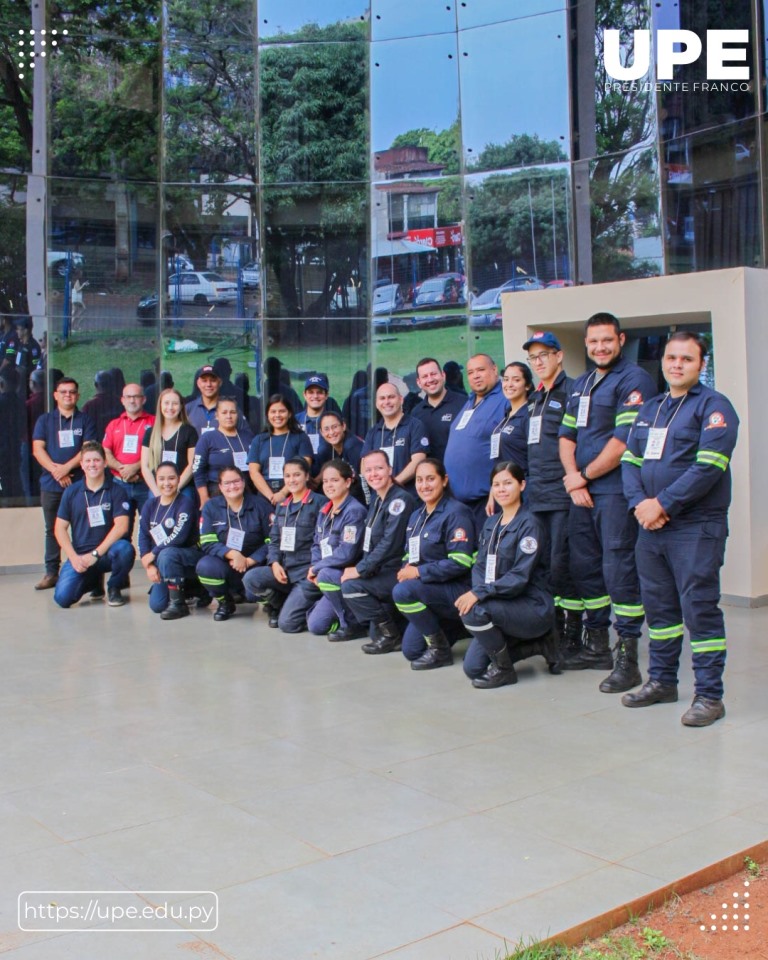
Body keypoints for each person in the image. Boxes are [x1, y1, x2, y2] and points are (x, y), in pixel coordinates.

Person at [620, 332, 739, 726]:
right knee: (661, 611)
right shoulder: (650, 409)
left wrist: (662, 504)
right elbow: (630, 463)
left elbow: (708, 467)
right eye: (671, 357)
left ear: (701, 364)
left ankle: (709, 696)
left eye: (686, 359)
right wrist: (641, 505)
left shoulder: (714, 407)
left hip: (695, 528)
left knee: (699, 610)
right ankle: (662, 681)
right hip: (650, 527)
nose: (676, 364)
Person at [558, 312, 657, 693]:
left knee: (619, 569)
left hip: (614, 492)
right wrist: (573, 480)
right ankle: (597, 645)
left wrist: (584, 476)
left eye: (607, 340)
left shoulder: (635, 380)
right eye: (594, 341)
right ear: (586, 343)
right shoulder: (581, 384)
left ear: (620, 339)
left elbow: (623, 441)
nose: (600, 347)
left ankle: (627, 657)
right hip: (580, 493)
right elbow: (566, 436)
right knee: (585, 567)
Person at [457, 461, 558, 688]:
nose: (501, 489)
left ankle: (504, 671)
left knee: (475, 611)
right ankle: (538, 646)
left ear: (522, 485)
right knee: (472, 668)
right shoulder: (491, 524)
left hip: (531, 606)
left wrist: (480, 594)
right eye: (496, 484)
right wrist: (480, 592)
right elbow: (480, 566)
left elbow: (520, 576)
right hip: (501, 604)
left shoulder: (530, 524)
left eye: (508, 483)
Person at [522, 331, 582, 657]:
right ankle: (552, 629)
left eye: (544, 354)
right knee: (542, 565)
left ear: (559, 356)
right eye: (533, 357)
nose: (538, 361)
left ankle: (574, 632)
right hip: (537, 496)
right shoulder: (535, 399)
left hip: (562, 495)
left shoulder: (572, 391)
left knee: (564, 565)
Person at [392, 459, 476, 670]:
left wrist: (418, 572)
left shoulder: (457, 512)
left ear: (444, 480)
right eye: (419, 480)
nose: (424, 485)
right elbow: (408, 554)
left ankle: (440, 651)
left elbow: (461, 562)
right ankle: (455, 627)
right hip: (429, 589)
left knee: (402, 592)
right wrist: (405, 568)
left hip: (456, 588)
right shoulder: (416, 516)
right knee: (411, 650)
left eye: (431, 479)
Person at [340, 450, 415, 654]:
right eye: (369, 470)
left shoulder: (400, 500)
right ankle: (390, 624)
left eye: (379, 468)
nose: (374, 474)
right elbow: (370, 542)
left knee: (351, 586)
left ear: (390, 470)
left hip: (396, 571)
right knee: (374, 632)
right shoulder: (376, 498)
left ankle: (391, 636)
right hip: (379, 569)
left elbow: (390, 543)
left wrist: (361, 569)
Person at [243, 458, 326, 631]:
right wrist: (274, 563)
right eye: (287, 476)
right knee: (251, 580)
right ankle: (281, 604)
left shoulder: (320, 503)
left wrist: (317, 568)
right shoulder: (282, 506)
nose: (292, 480)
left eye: (297, 475)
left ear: (306, 476)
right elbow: (274, 540)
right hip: (286, 570)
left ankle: (316, 608)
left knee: (287, 625)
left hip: (308, 574)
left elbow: (324, 542)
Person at [32, 377, 98, 590]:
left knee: (84, 528)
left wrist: (66, 469)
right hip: (51, 484)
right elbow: (37, 449)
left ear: (78, 395)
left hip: (79, 483)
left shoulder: (85, 420)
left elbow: (87, 450)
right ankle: (52, 572)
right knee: (52, 529)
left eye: (72, 392)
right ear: (55, 395)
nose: (67, 395)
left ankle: (88, 573)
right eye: (63, 392)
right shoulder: (45, 420)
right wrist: (56, 471)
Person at [53, 440, 135, 608]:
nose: (92, 464)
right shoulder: (71, 492)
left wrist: (96, 555)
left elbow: (122, 527)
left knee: (125, 549)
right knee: (62, 598)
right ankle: (93, 581)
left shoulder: (116, 491)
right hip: (81, 555)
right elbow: (59, 528)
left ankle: (114, 586)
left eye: (96, 460)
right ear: (81, 465)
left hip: (106, 554)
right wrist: (74, 558)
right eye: (88, 461)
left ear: (105, 463)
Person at [301, 459, 368, 639]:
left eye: (334, 480)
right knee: (316, 626)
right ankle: (341, 611)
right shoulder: (325, 509)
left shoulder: (354, 511)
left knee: (326, 575)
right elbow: (316, 544)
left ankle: (352, 623)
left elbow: (347, 553)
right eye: (325, 481)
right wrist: (316, 566)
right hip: (328, 575)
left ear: (347, 482)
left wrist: (317, 568)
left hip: (345, 577)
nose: (329, 485)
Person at [196, 466, 272, 621]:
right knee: (205, 567)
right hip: (226, 562)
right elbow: (207, 542)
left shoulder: (261, 505)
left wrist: (250, 560)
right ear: (220, 486)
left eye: (236, 481)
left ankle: (272, 605)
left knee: (252, 594)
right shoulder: (211, 507)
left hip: (256, 563)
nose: (232, 486)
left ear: (243, 482)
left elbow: (272, 541)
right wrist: (233, 554)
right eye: (227, 483)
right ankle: (225, 603)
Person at [443, 353, 508, 530]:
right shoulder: (469, 401)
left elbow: (509, 447)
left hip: (488, 501)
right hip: (459, 502)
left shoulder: (505, 398)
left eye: (481, 370)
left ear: (494, 370)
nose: (476, 376)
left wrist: (497, 488)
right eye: (471, 372)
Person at [138, 461, 202, 619]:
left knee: (167, 554)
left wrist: (153, 555)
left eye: (171, 478)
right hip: (162, 560)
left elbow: (178, 536)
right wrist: (149, 565)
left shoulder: (185, 503)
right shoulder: (150, 505)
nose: (166, 483)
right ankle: (184, 589)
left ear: (179, 479)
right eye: (161, 479)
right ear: (156, 480)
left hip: (188, 556)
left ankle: (180, 604)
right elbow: (143, 536)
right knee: (157, 606)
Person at [102, 382, 155, 535]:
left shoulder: (154, 422)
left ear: (144, 399)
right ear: (122, 400)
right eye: (128, 397)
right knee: (121, 532)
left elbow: (158, 451)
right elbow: (105, 451)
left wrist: (135, 467)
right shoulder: (114, 424)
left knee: (151, 527)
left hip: (146, 484)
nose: (132, 400)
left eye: (136, 396)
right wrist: (123, 469)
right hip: (120, 484)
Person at [360, 382, 429, 491]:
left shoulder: (415, 426)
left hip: (409, 497)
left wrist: (393, 485)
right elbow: (364, 465)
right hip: (380, 498)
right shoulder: (373, 432)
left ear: (401, 399)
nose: (386, 402)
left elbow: (418, 460)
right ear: (377, 404)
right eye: (382, 398)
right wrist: (379, 485)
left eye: (391, 397)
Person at [247, 394, 313, 506]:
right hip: (264, 496)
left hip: (293, 493)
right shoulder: (258, 440)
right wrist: (270, 496)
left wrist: (282, 493)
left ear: (290, 413)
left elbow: (305, 467)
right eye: (273, 411)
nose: (277, 415)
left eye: (282, 411)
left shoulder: (301, 438)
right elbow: (254, 472)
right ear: (267, 415)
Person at [193, 397, 254, 505]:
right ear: (216, 415)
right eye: (224, 412)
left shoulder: (248, 437)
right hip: (217, 492)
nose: (229, 416)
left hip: (246, 491)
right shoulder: (207, 438)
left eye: (233, 412)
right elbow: (198, 471)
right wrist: (204, 498)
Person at [488, 362, 532, 507]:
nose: (509, 384)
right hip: (503, 493)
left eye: (516, 380)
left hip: (522, 493)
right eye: (506, 379)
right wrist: (492, 493)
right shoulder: (505, 416)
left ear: (527, 385)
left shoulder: (529, 416)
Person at [141, 387, 198, 499]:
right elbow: (145, 466)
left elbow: (192, 465)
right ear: (160, 405)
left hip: (183, 488)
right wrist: (157, 492)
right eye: (166, 403)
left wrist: (175, 489)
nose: (170, 407)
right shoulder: (150, 432)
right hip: (157, 489)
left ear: (181, 406)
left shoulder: (189, 431)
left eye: (175, 403)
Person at [410, 357, 466, 463]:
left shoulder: (464, 404)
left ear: (443, 375)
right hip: (431, 477)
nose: (430, 379)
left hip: (459, 474)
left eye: (433, 374)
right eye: (425, 376)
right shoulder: (416, 413)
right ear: (419, 382)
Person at [316, 411, 365, 503]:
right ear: (321, 432)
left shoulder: (352, 446)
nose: (331, 432)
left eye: (335, 427)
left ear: (343, 426)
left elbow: (362, 482)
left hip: (359, 500)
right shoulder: (325, 449)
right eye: (326, 429)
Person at [184, 364, 248, 435]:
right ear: (198, 383)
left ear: (220, 382)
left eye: (213, 380)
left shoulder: (231, 409)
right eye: (204, 381)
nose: (208, 384)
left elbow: (246, 436)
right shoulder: (188, 409)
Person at [296, 374, 341, 466]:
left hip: (328, 474)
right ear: (304, 395)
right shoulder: (295, 421)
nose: (315, 396)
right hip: (300, 475)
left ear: (326, 395)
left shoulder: (333, 422)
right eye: (311, 392)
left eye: (319, 392)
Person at [82, 370, 122, 440]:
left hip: (97, 445)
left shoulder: (89, 405)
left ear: (96, 385)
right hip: (118, 441)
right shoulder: (121, 402)